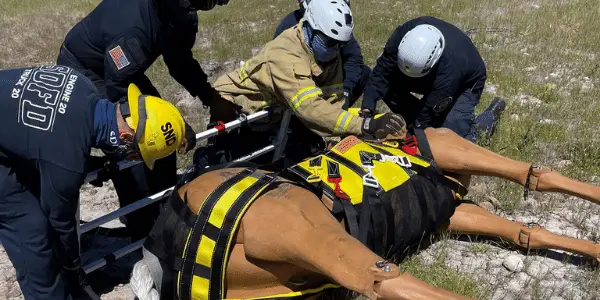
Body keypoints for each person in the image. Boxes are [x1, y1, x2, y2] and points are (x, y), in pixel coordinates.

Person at [0, 65, 192, 299]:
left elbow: (54, 134)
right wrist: (72, 267)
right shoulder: (66, 159)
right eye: (136, 154)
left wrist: (85, 163)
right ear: (125, 139)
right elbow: (61, 223)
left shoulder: (83, 83)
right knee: (32, 235)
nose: (132, 158)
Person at [55, 0, 229, 241]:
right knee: (131, 147)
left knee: (165, 140)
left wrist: (210, 97)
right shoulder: (135, 31)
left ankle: (166, 210)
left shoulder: (181, 13)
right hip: (87, 70)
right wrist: (170, 121)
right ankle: (141, 229)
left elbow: (180, 61)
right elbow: (116, 87)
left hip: (122, 70)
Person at [200, 0, 406, 166]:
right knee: (229, 166)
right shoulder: (285, 54)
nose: (335, 49)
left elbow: (332, 100)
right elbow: (310, 108)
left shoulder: (327, 53)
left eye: (340, 45)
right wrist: (366, 125)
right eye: (330, 42)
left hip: (274, 109)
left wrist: (338, 141)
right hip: (236, 105)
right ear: (311, 27)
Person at [360, 16, 506, 143]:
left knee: (451, 139)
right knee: (386, 86)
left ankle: (489, 117)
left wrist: (414, 135)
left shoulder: (451, 71)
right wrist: (367, 111)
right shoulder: (404, 35)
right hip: (423, 71)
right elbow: (380, 74)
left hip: (466, 82)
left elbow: (428, 114)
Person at [274, 0, 370, 109]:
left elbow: (354, 57)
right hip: (302, 88)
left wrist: (346, 92)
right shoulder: (289, 28)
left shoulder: (333, 21)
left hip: (329, 81)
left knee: (364, 73)